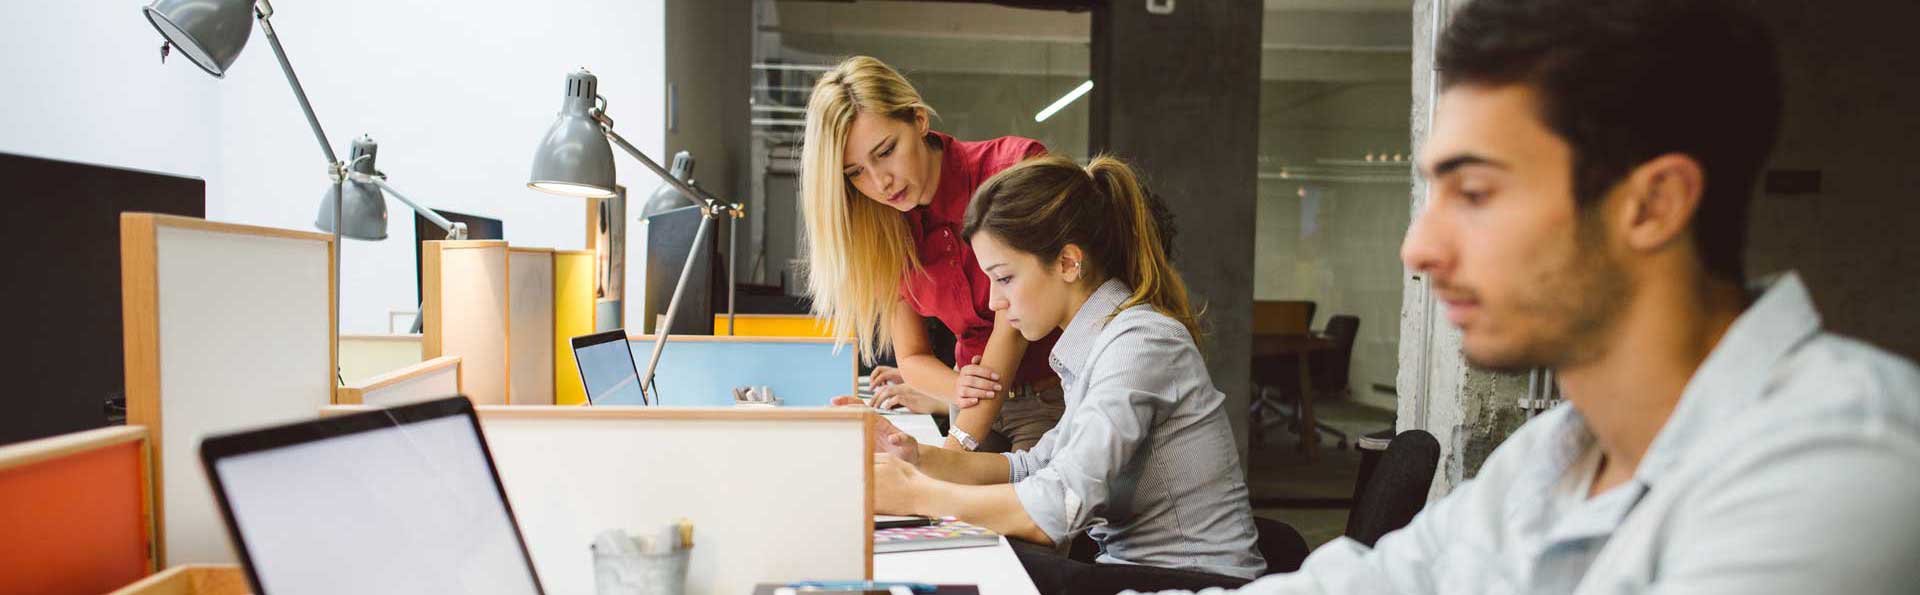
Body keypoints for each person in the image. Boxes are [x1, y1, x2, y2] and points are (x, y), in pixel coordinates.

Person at [1152, 0, 1920, 593]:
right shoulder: (1557, 452)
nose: (1418, 248)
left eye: (1476, 191)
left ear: (1652, 205)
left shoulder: (1839, 469)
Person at [848, 154, 1267, 591]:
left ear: (1068, 263)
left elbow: (1060, 507)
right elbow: (1035, 466)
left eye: (1004, 277)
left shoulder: (1140, 344)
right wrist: (917, 459)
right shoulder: (1096, 344)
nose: (994, 302)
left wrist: (917, 494)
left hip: (1194, 583)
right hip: (1135, 568)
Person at [801, 55, 1064, 453]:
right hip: (973, 404)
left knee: (984, 503)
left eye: (886, 151)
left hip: (1049, 401)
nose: (880, 182)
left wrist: (948, 456)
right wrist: (956, 388)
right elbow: (910, 355)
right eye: (855, 173)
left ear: (919, 120)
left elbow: (1011, 328)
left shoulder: (1011, 171)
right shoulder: (885, 229)